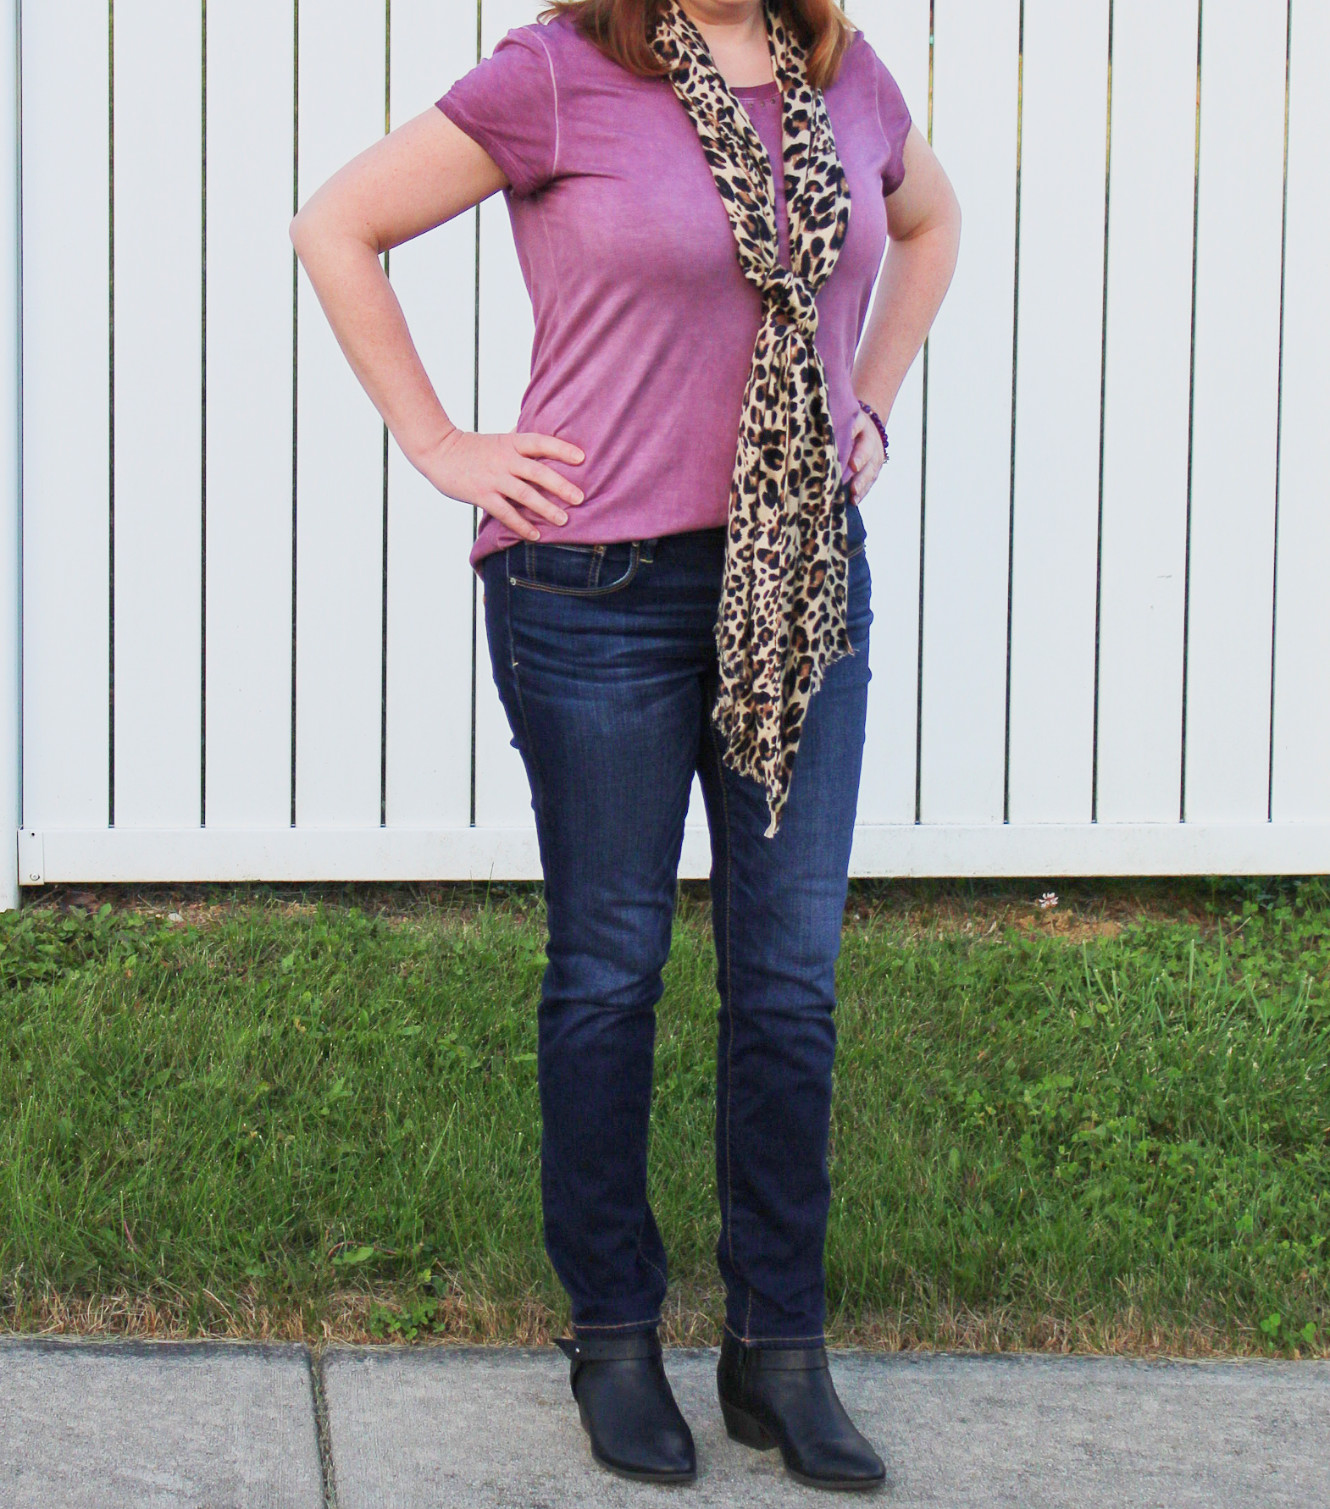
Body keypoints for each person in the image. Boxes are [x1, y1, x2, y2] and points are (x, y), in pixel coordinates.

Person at [291, 0, 960, 1490]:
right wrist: (440, 441)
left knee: (787, 979)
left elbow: (925, 226)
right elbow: (335, 224)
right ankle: (613, 1336)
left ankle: (778, 1351)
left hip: (801, 580)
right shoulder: (558, 71)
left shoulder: (845, 76)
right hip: (593, 588)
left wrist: (870, 400)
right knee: (611, 968)